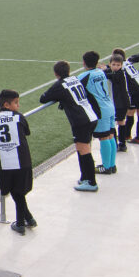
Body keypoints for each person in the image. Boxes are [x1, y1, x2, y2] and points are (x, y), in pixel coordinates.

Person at [38, 60, 100, 191]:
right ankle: (85, 177)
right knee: (81, 148)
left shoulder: (60, 85)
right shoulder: (75, 79)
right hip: (90, 116)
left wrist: (60, 97)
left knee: (84, 149)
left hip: (81, 120)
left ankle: (91, 182)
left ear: (56, 74)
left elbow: (43, 98)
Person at [0, 90, 36, 234]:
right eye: (16, 103)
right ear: (6, 105)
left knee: (16, 192)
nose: (18, 106)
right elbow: (27, 132)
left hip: (5, 163)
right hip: (23, 161)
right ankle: (24, 221)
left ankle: (25, 220)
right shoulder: (18, 117)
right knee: (19, 192)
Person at [77, 51, 117, 175]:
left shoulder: (83, 76)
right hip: (109, 105)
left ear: (84, 62)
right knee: (110, 135)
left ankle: (106, 167)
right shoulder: (100, 72)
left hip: (100, 110)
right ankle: (112, 165)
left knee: (104, 137)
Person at [118, 47, 139, 145]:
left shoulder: (121, 67)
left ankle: (127, 135)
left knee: (130, 112)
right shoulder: (127, 63)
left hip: (137, 91)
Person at [104, 53, 130, 153]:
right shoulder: (116, 72)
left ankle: (120, 143)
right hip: (119, 102)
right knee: (119, 122)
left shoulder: (120, 74)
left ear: (121, 65)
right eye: (113, 64)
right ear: (110, 64)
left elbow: (108, 76)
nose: (115, 67)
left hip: (121, 103)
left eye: (118, 65)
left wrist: (103, 70)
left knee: (117, 122)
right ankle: (120, 143)